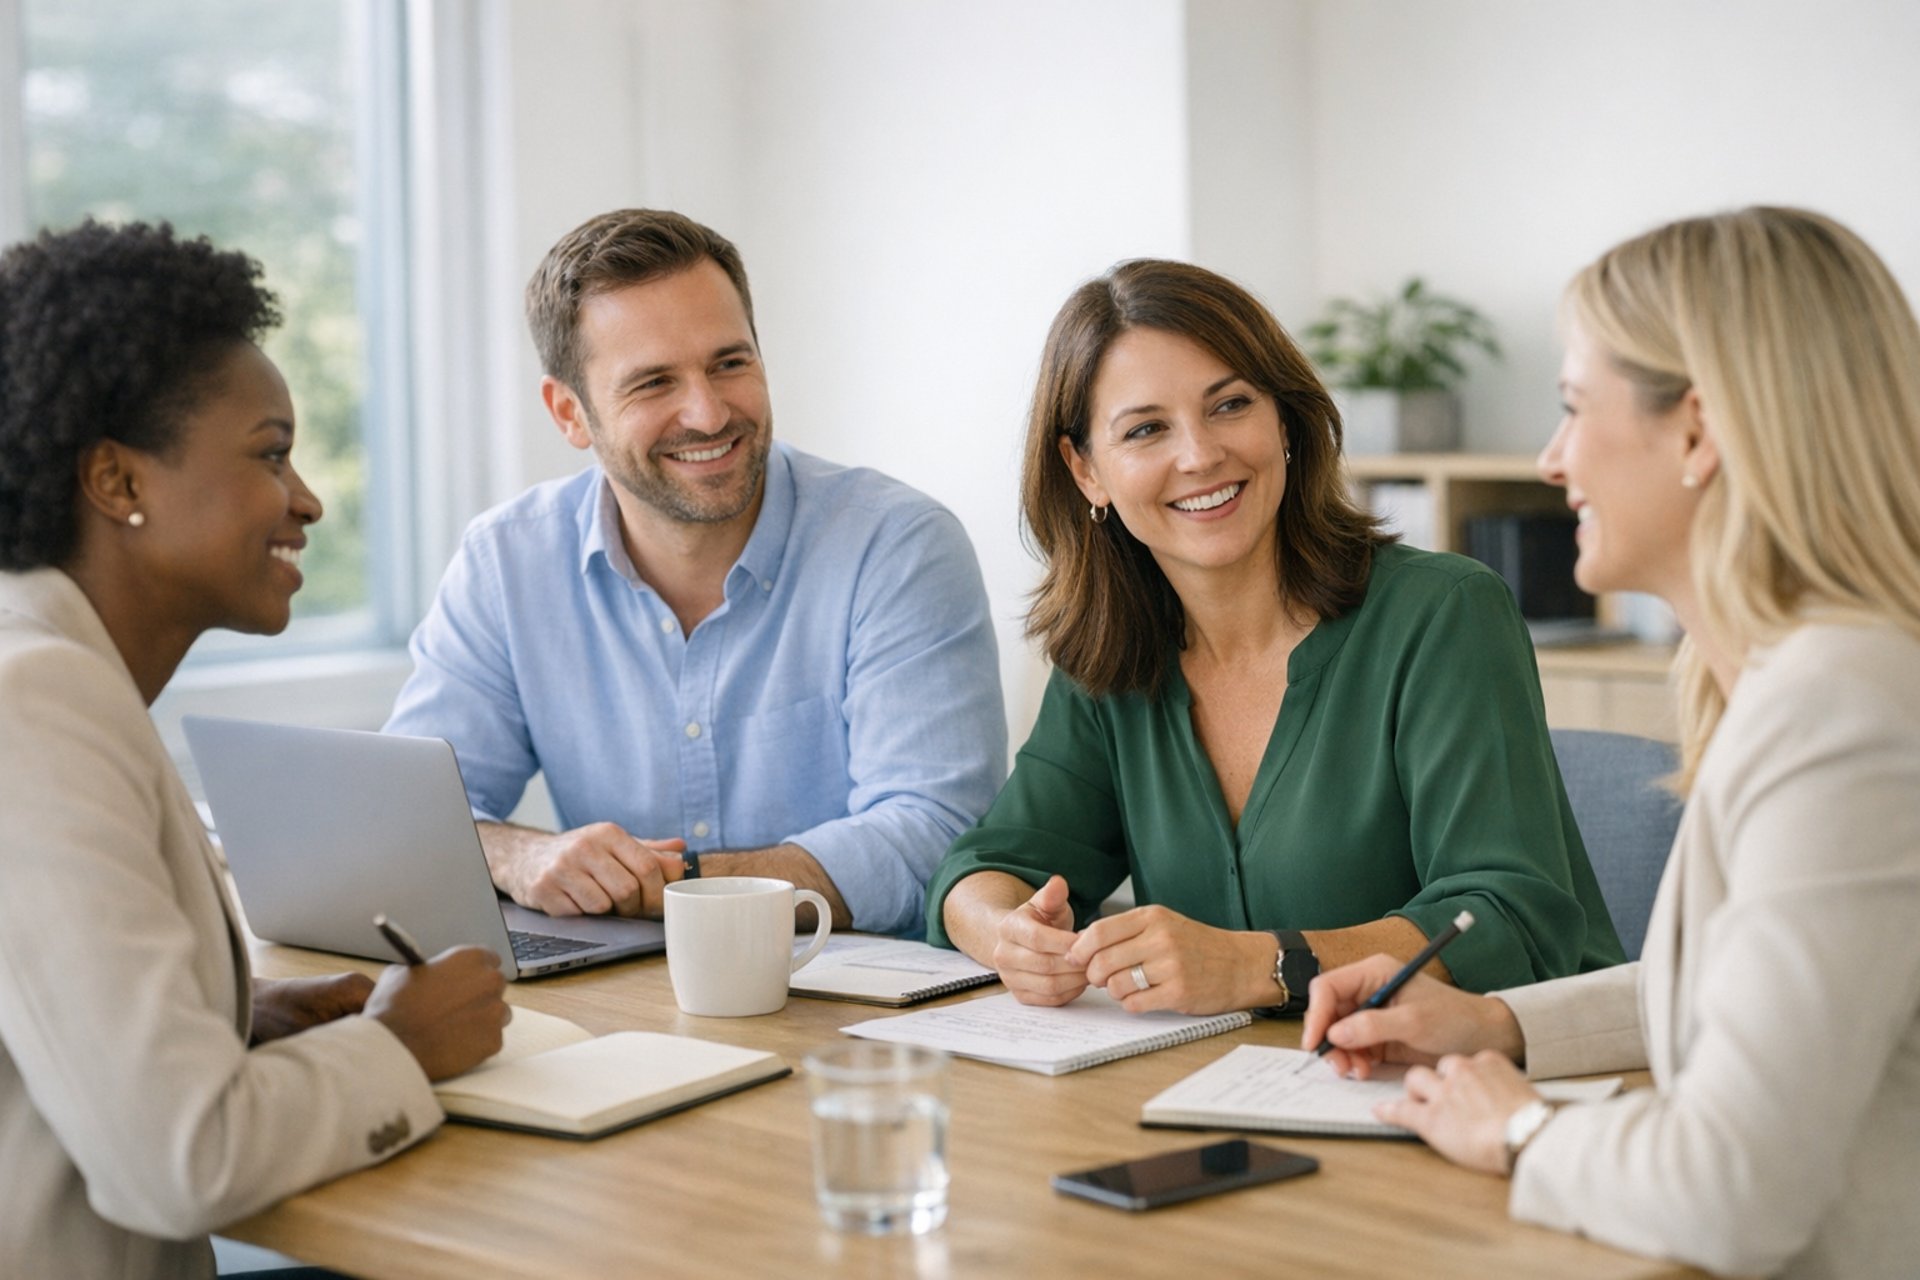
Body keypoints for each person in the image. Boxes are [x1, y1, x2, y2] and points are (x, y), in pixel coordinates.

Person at [1301, 207, 1920, 1279]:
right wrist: (1492, 1022)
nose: (1551, 458)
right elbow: (1729, 987)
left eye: (1574, 407)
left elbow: (1736, 1187)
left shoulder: (1843, 712)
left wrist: (1521, 1128)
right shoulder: (1789, 681)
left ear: (1698, 430)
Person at [0, 221, 512, 1278]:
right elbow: (180, 1159)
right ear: (118, 482)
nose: (308, 499)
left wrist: (232, 1015)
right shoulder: (34, 700)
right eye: (270, 453)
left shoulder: (51, 665)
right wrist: (402, 1045)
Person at [929, 259, 1622, 1014]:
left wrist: (1258, 964)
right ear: (1086, 471)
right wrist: (1009, 936)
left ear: (1284, 419)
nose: (1199, 454)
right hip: (1246, 1094)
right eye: (1146, 429)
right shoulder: (1111, 655)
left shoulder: (1445, 614)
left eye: (1229, 405)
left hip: (1514, 1085)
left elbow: (1508, 919)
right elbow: (989, 864)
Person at [383, 209, 1005, 937]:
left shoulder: (896, 546)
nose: (709, 414)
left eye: (729, 363)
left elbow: (936, 836)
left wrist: (667, 888)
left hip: (853, 1011)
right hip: (623, 1001)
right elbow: (410, 813)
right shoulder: (506, 562)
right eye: (653, 384)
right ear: (570, 413)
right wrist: (522, 856)